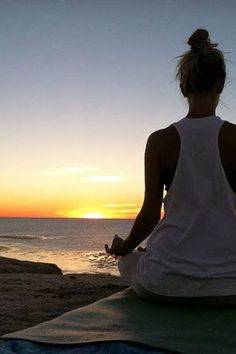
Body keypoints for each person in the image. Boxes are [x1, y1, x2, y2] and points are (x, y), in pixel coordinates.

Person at [105, 28, 236, 306]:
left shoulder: (159, 141)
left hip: (164, 284)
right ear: (221, 84)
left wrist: (124, 248)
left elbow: (151, 214)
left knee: (129, 261)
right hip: (229, 285)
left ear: (182, 87)